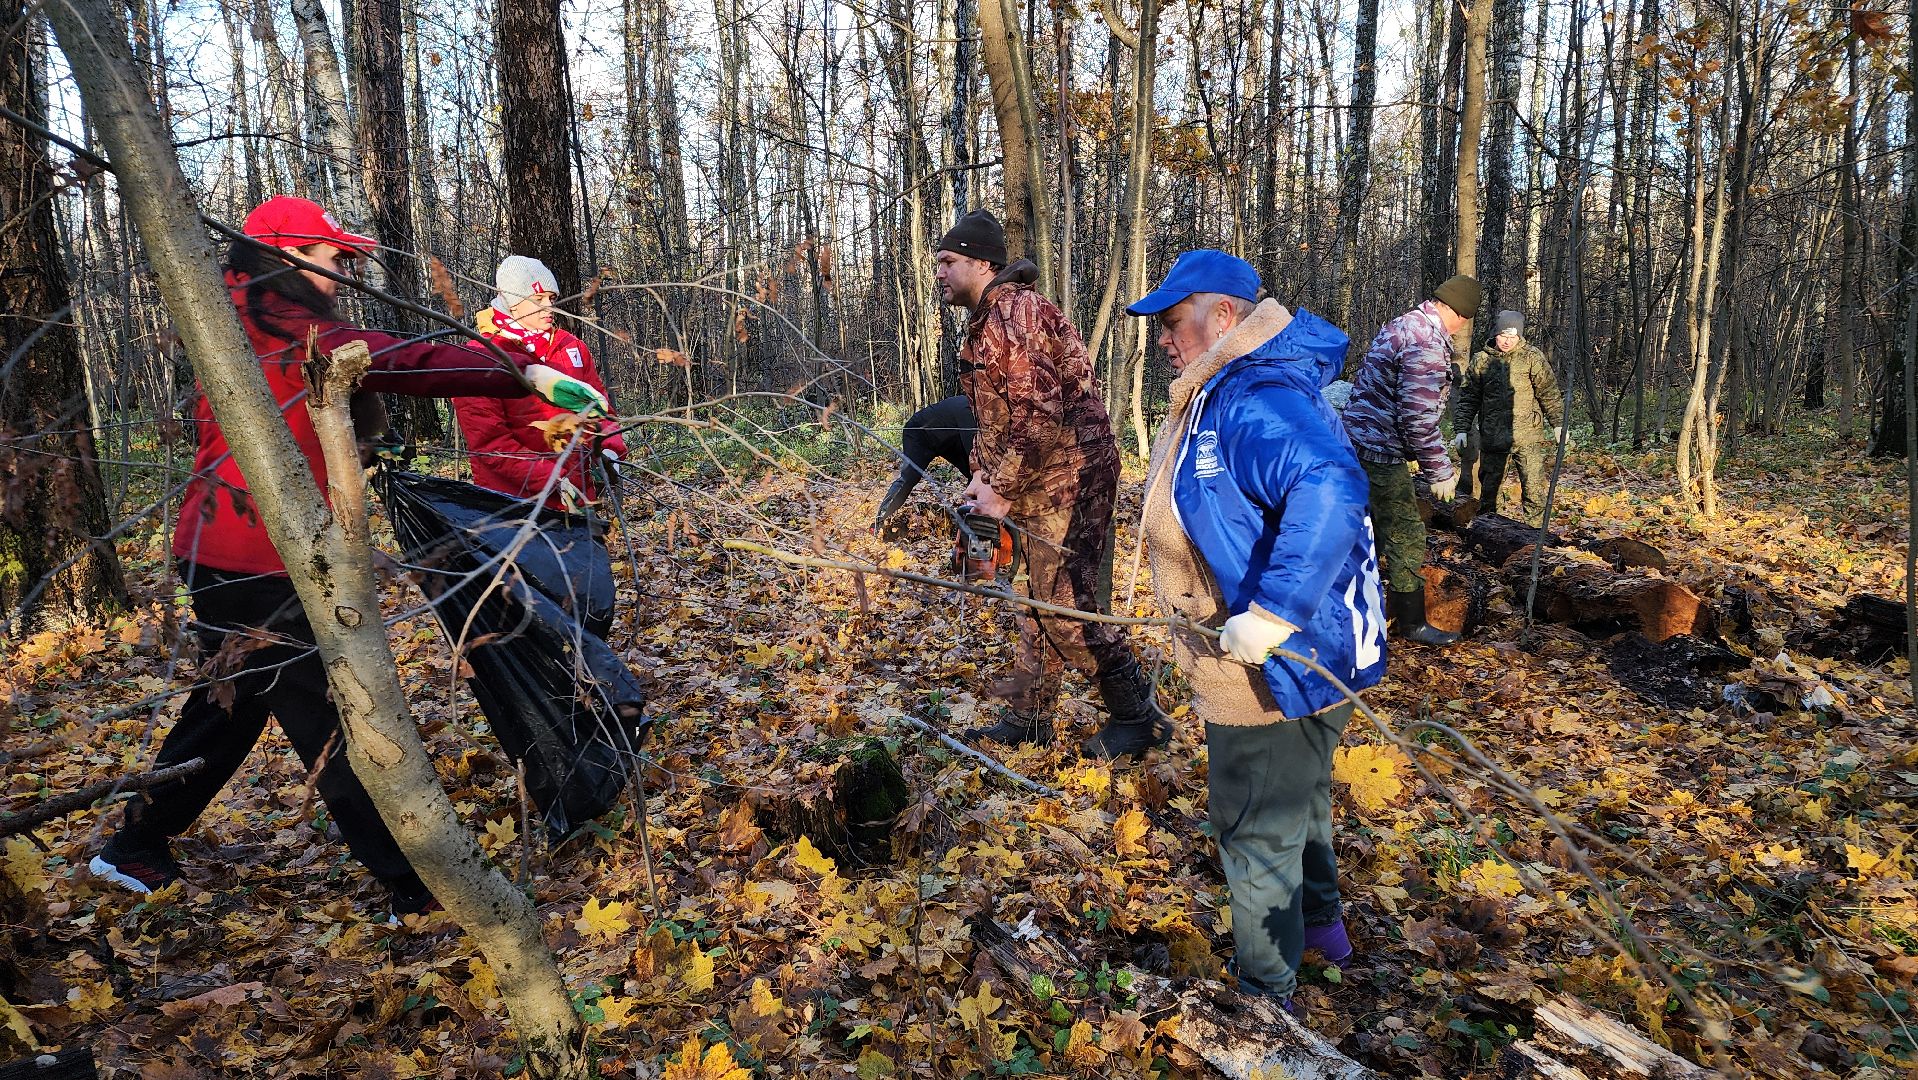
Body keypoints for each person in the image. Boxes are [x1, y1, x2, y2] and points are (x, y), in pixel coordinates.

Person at [89, 196, 606, 916]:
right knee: (329, 723)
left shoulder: (246, 314)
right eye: (333, 258)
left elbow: (359, 372)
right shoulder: (273, 324)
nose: (343, 272)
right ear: (288, 253)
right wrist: (522, 370)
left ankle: (134, 844)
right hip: (257, 560)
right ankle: (412, 887)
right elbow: (401, 359)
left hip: (226, 552)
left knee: (228, 708)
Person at [1128, 249, 1387, 1008]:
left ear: (1223, 316)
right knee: (1298, 802)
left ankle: (1267, 1000)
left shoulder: (1254, 396)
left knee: (1255, 828)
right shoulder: (1227, 388)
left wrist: (1273, 614)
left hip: (1271, 663)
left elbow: (1330, 485)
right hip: (1293, 654)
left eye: (1173, 322)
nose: (1164, 339)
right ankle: (1323, 936)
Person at [933, 209, 1166, 760]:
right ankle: (1029, 717)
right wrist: (980, 475)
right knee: (1032, 602)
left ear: (982, 264)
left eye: (948, 261)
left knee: (1064, 607)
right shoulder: (987, 321)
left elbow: (1039, 416)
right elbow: (996, 417)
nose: (938, 272)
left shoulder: (1017, 313)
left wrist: (1000, 490)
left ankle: (1139, 717)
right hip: (1034, 480)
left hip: (1070, 477)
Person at [1342, 274, 1480, 646]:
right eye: (1465, 321)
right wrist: (1439, 469)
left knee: (1361, 527)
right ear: (1460, 314)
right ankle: (1412, 624)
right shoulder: (1427, 343)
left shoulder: (1405, 324)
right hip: (1379, 451)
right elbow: (1417, 416)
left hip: (1356, 441)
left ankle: (1357, 603)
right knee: (1405, 533)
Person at [455, 256, 627, 513]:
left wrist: (610, 451)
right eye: (538, 299)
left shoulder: (570, 346)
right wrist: (555, 480)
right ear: (512, 301)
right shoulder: (479, 356)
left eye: (552, 298)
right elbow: (490, 445)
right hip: (514, 508)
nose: (549, 307)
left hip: (578, 500)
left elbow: (599, 408)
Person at [1450, 310, 1564, 524]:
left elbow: (1548, 392)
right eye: (1503, 335)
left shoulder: (1532, 357)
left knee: (1534, 492)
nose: (1507, 341)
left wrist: (1558, 424)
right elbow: (1468, 398)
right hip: (1492, 438)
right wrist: (1461, 429)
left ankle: (1535, 535)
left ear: (1519, 336)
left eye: (1513, 336)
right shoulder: (1481, 360)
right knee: (1490, 495)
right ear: (1496, 334)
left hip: (1527, 438)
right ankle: (1491, 531)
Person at [872, 395, 977, 529]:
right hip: (919, 434)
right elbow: (974, 451)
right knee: (909, 478)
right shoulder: (967, 409)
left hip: (947, 441)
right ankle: (878, 522)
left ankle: (976, 521)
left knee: (974, 474)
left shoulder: (977, 413)